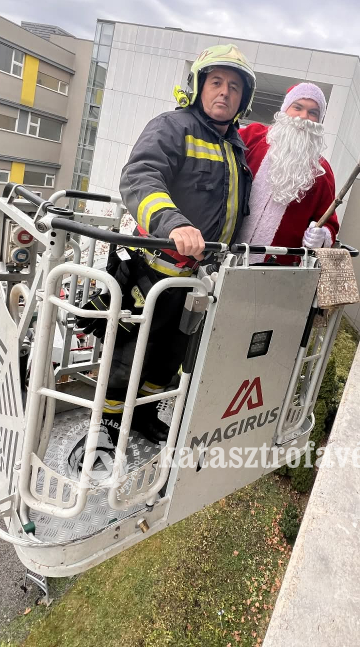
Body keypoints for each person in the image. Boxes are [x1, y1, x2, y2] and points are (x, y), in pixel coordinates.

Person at [84, 44, 255, 444]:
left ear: (242, 99)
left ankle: (142, 417)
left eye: (233, 87)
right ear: (199, 86)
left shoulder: (235, 145)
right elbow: (139, 178)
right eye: (216, 82)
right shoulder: (173, 126)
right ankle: (107, 427)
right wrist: (173, 222)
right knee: (130, 355)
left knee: (168, 359)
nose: (224, 92)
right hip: (152, 273)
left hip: (196, 280)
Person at [237, 83, 339, 263]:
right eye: (297, 108)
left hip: (277, 269)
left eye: (312, 112)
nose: (303, 117)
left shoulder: (321, 171)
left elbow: (329, 221)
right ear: (285, 110)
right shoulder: (252, 137)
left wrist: (322, 235)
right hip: (226, 254)